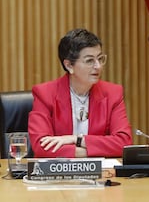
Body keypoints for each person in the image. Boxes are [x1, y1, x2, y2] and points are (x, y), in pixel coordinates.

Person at [28, 28, 133, 158]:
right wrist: (86, 152)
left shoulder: (112, 93)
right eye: (89, 61)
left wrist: (76, 139)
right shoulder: (45, 94)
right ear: (69, 66)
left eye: (100, 59)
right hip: (59, 174)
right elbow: (41, 146)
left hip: (99, 175)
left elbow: (123, 143)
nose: (98, 66)